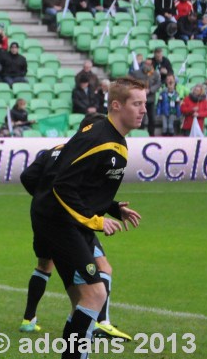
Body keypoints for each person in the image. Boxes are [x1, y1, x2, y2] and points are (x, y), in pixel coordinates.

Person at [33, 78, 145, 359]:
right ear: (116, 105)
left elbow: (84, 185)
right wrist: (97, 220)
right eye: (136, 103)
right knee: (95, 293)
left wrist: (112, 208)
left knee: (86, 295)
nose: (143, 109)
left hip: (65, 219)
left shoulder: (114, 139)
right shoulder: (100, 137)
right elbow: (63, 185)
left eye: (144, 103)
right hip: (59, 220)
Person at [18, 113, 131, 338]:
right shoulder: (89, 153)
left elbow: (27, 176)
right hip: (74, 219)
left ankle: (29, 318)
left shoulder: (55, 150)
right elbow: (86, 191)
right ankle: (100, 323)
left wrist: (41, 196)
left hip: (44, 217)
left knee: (44, 265)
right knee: (100, 273)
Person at [129, 63, 160, 135]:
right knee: (141, 119)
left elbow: (158, 84)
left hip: (151, 99)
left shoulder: (155, 74)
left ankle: (151, 135)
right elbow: (130, 81)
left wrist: (151, 90)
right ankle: (140, 134)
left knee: (152, 118)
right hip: (140, 100)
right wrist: (140, 89)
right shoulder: (136, 73)